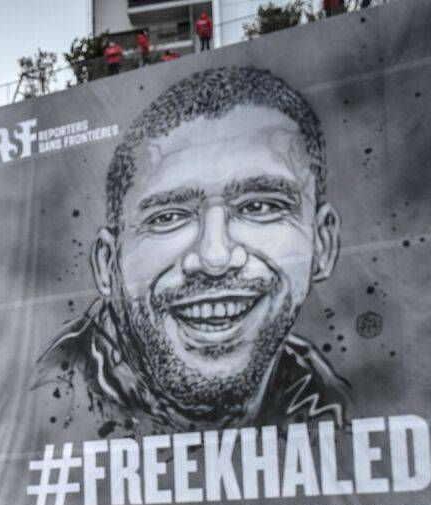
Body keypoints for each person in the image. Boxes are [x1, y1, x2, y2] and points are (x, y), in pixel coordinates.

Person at [35, 66, 351, 436]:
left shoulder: (332, 407)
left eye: (259, 207)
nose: (215, 257)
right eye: (168, 216)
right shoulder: (45, 411)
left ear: (323, 244)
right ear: (108, 266)